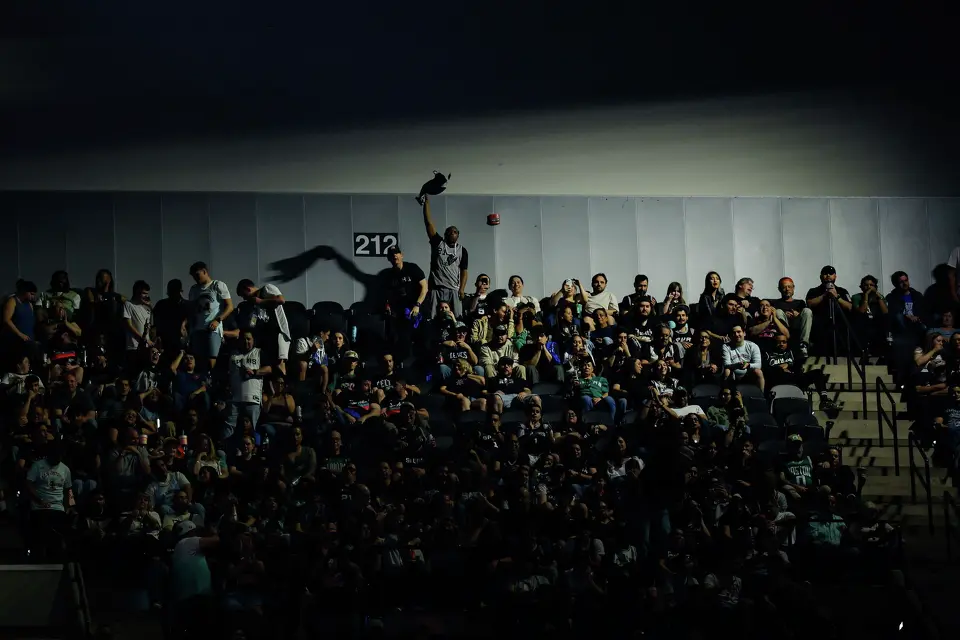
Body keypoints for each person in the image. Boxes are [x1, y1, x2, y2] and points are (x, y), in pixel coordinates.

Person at [422, 195, 468, 317]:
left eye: (455, 232)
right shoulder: (438, 243)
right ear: (445, 234)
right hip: (436, 288)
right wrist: (426, 204)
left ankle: (457, 336)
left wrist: (462, 289)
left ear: (458, 235)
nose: (452, 233)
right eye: (450, 231)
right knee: (431, 317)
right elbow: (428, 223)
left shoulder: (462, 250)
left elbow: (464, 271)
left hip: (453, 288)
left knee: (457, 317)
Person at [235, 279, 292, 375]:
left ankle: (282, 387)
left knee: (279, 365)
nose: (245, 299)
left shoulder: (267, 289)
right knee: (270, 365)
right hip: (267, 336)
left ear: (248, 289)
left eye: (244, 295)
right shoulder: (253, 304)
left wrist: (260, 301)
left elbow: (281, 300)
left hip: (278, 332)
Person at [187, 261, 234, 372]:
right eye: (193, 276)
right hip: (197, 329)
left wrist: (218, 320)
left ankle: (211, 381)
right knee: (198, 359)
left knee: (212, 358)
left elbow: (230, 306)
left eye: (197, 275)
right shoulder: (194, 289)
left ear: (204, 271)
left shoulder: (217, 285)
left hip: (212, 328)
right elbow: (192, 310)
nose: (196, 278)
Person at [383, 245, 428, 357]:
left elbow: (425, 287)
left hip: (419, 309)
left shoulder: (412, 268)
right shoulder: (388, 275)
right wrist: (388, 305)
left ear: (401, 255)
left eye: (397, 253)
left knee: (422, 341)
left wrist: (417, 305)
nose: (395, 255)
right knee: (403, 341)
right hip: (402, 314)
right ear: (388, 258)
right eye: (392, 254)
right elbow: (386, 295)